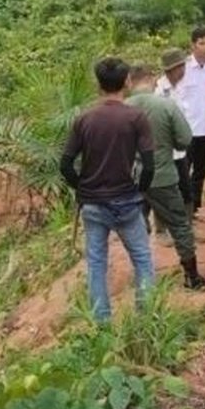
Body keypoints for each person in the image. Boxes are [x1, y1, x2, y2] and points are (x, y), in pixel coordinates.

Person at [60, 57, 156, 323]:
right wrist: (140, 192)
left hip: (93, 205)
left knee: (97, 264)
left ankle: (102, 324)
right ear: (127, 81)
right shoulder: (136, 117)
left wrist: (82, 187)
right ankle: (145, 319)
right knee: (142, 259)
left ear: (98, 84)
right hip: (127, 200)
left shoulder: (84, 119)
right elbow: (149, 164)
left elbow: (65, 164)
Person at [127, 65, 205, 290]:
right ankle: (191, 276)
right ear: (151, 79)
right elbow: (185, 139)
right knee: (179, 225)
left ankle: (142, 276)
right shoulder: (165, 105)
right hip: (162, 176)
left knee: (136, 226)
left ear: (130, 82)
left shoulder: (123, 109)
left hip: (133, 179)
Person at [178, 26, 205, 219]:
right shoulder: (184, 67)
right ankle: (182, 209)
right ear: (193, 45)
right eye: (202, 43)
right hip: (187, 128)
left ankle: (194, 208)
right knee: (184, 170)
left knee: (200, 171)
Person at [153, 48, 191, 245]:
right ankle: (161, 231)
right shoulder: (160, 90)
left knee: (185, 189)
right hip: (166, 150)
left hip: (180, 148)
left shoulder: (181, 87)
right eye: (181, 67)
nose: (183, 70)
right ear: (172, 69)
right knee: (164, 191)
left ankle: (186, 230)